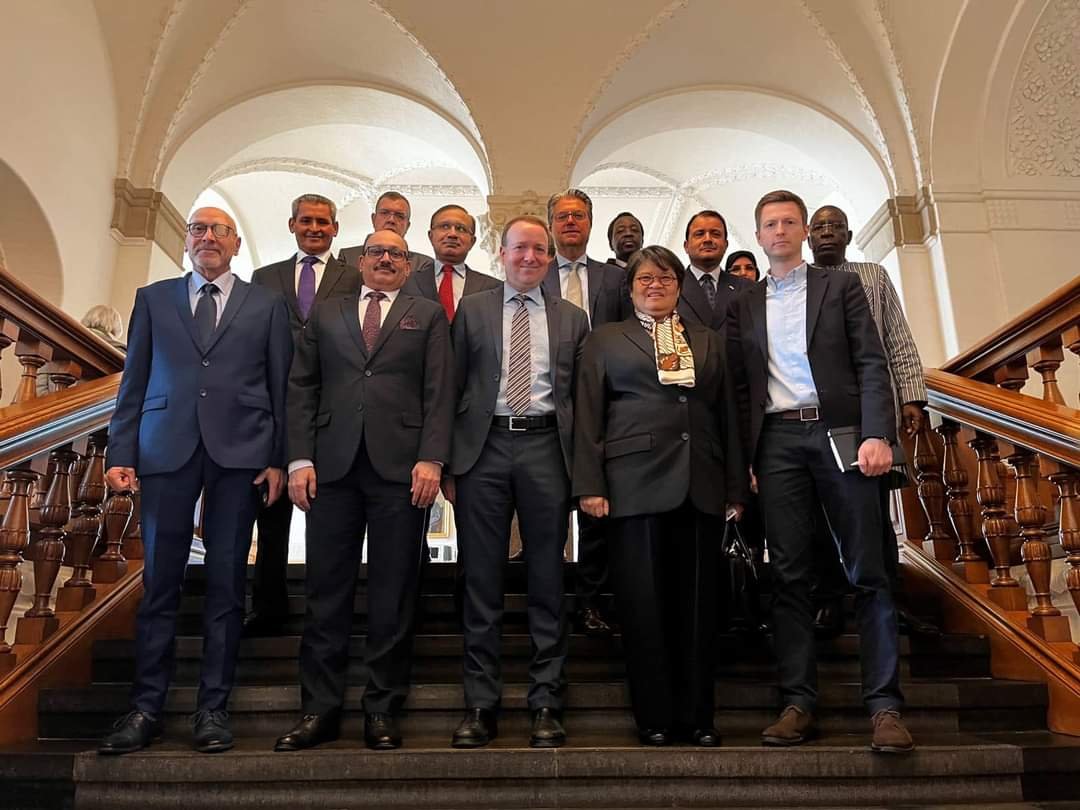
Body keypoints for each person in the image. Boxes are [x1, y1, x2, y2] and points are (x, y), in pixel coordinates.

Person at [99, 207, 292, 755]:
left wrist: (278, 458)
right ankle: (145, 708)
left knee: (228, 585)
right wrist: (121, 449)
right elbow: (134, 378)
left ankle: (213, 708)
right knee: (160, 582)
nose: (208, 238)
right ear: (186, 241)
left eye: (219, 231)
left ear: (235, 244)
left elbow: (280, 384)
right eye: (198, 229)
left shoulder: (266, 304)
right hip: (165, 448)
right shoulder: (154, 299)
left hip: (241, 452)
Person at [727, 190, 913, 754]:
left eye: (789, 222)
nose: (780, 231)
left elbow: (871, 362)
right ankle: (797, 702)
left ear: (804, 231)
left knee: (868, 569)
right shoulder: (744, 302)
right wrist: (746, 460)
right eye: (770, 224)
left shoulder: (841, 286)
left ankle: (884, 706)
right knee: (788, 574)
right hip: (777, 441)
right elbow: (740, 388)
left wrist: (878, 433)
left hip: (841, 435)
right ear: (758, 236)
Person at [275, 229, 452, 752]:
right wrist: (299, 459)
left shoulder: (428, 315)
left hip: (402, 471)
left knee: (393, 593)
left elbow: (440, 390)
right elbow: (302, 386)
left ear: (408, 265)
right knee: (325, 592)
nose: (385, 259)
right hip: (331, 468)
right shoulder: (328, 311)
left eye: (396, 253)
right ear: (360, 260)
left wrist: (432, 458)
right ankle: (319, 710)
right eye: (376, 251)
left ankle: (382, 708)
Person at [574, 245, 747, 747]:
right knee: (643, 608)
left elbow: (728, 415)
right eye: (645, 278)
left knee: (699, 609)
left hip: (701, 483)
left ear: (679, 285)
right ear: (630, 288)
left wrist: (735, 486)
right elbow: (588, 414)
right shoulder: (605, 340)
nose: (656, 285)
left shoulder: (709, 340)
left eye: (666, 278)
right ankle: (654, 716)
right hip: (633, 485)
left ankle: (698, 717)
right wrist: (590, 485)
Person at [445, 215, 589, 749]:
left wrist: (584, 470)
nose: (529, 257)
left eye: (539, 250)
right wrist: (448, 462)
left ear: (550, 258)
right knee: (481, 580)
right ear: (501, 253)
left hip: (547, 449)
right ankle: (480, 703)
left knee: (547, 578)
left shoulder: (572, 317)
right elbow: (450, 386)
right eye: (519, 248)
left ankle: (546, 701)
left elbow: (582, 399)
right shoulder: (472, 309)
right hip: (483, 450)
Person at [807, 204, 934, 638]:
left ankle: (888, 600)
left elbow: (897, 337)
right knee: (821, 511)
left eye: (836, 226)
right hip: (821, 416)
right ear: (808, 236)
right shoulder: (800, 281)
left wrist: (912, 396)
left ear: (848, 235)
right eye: (820, 227)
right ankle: (829, 599)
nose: (827, 232)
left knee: (875, 512)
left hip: (871, 412)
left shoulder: (873, 276)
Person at [246, 193, 358, 637]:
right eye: (306, 221)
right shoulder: (265, 277)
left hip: (333, 406)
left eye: (323, 222)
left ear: (335, 229)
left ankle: (324, 613)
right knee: (271, 511)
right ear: (292, 224)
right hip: (275, 405)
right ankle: (268, 605)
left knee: (327, 520)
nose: (315, 228)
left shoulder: (353, 277)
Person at [541, 189, 633, 637]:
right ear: (551, 225)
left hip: (607, 403)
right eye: (562, 216)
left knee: (598, 508)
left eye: (578, 215)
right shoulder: (535, 275)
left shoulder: (615, 279)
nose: (570, 222)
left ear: (591, 223)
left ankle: (593, 601)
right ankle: (550, 601)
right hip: (549, 402)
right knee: (548, 505)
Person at [403, 204, 500, 322]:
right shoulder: (406, 283)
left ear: (472, 241)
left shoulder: (493, 288)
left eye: (461, 229)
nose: (452, 234)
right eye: (445, 226)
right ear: (431, 236)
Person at [678, 210, 752, 332]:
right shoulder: (672, 288)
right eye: (699, 234)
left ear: (726, 245)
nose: (707, 239)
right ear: (686, 246)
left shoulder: (748, 289)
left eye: (716, 234)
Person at [338, 191, 434, 274]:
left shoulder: (423, 264)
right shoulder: (348, 257)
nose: (391, 220)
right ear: (373, 219)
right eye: (384, 213)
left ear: (407, 226)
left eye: (399, 216)